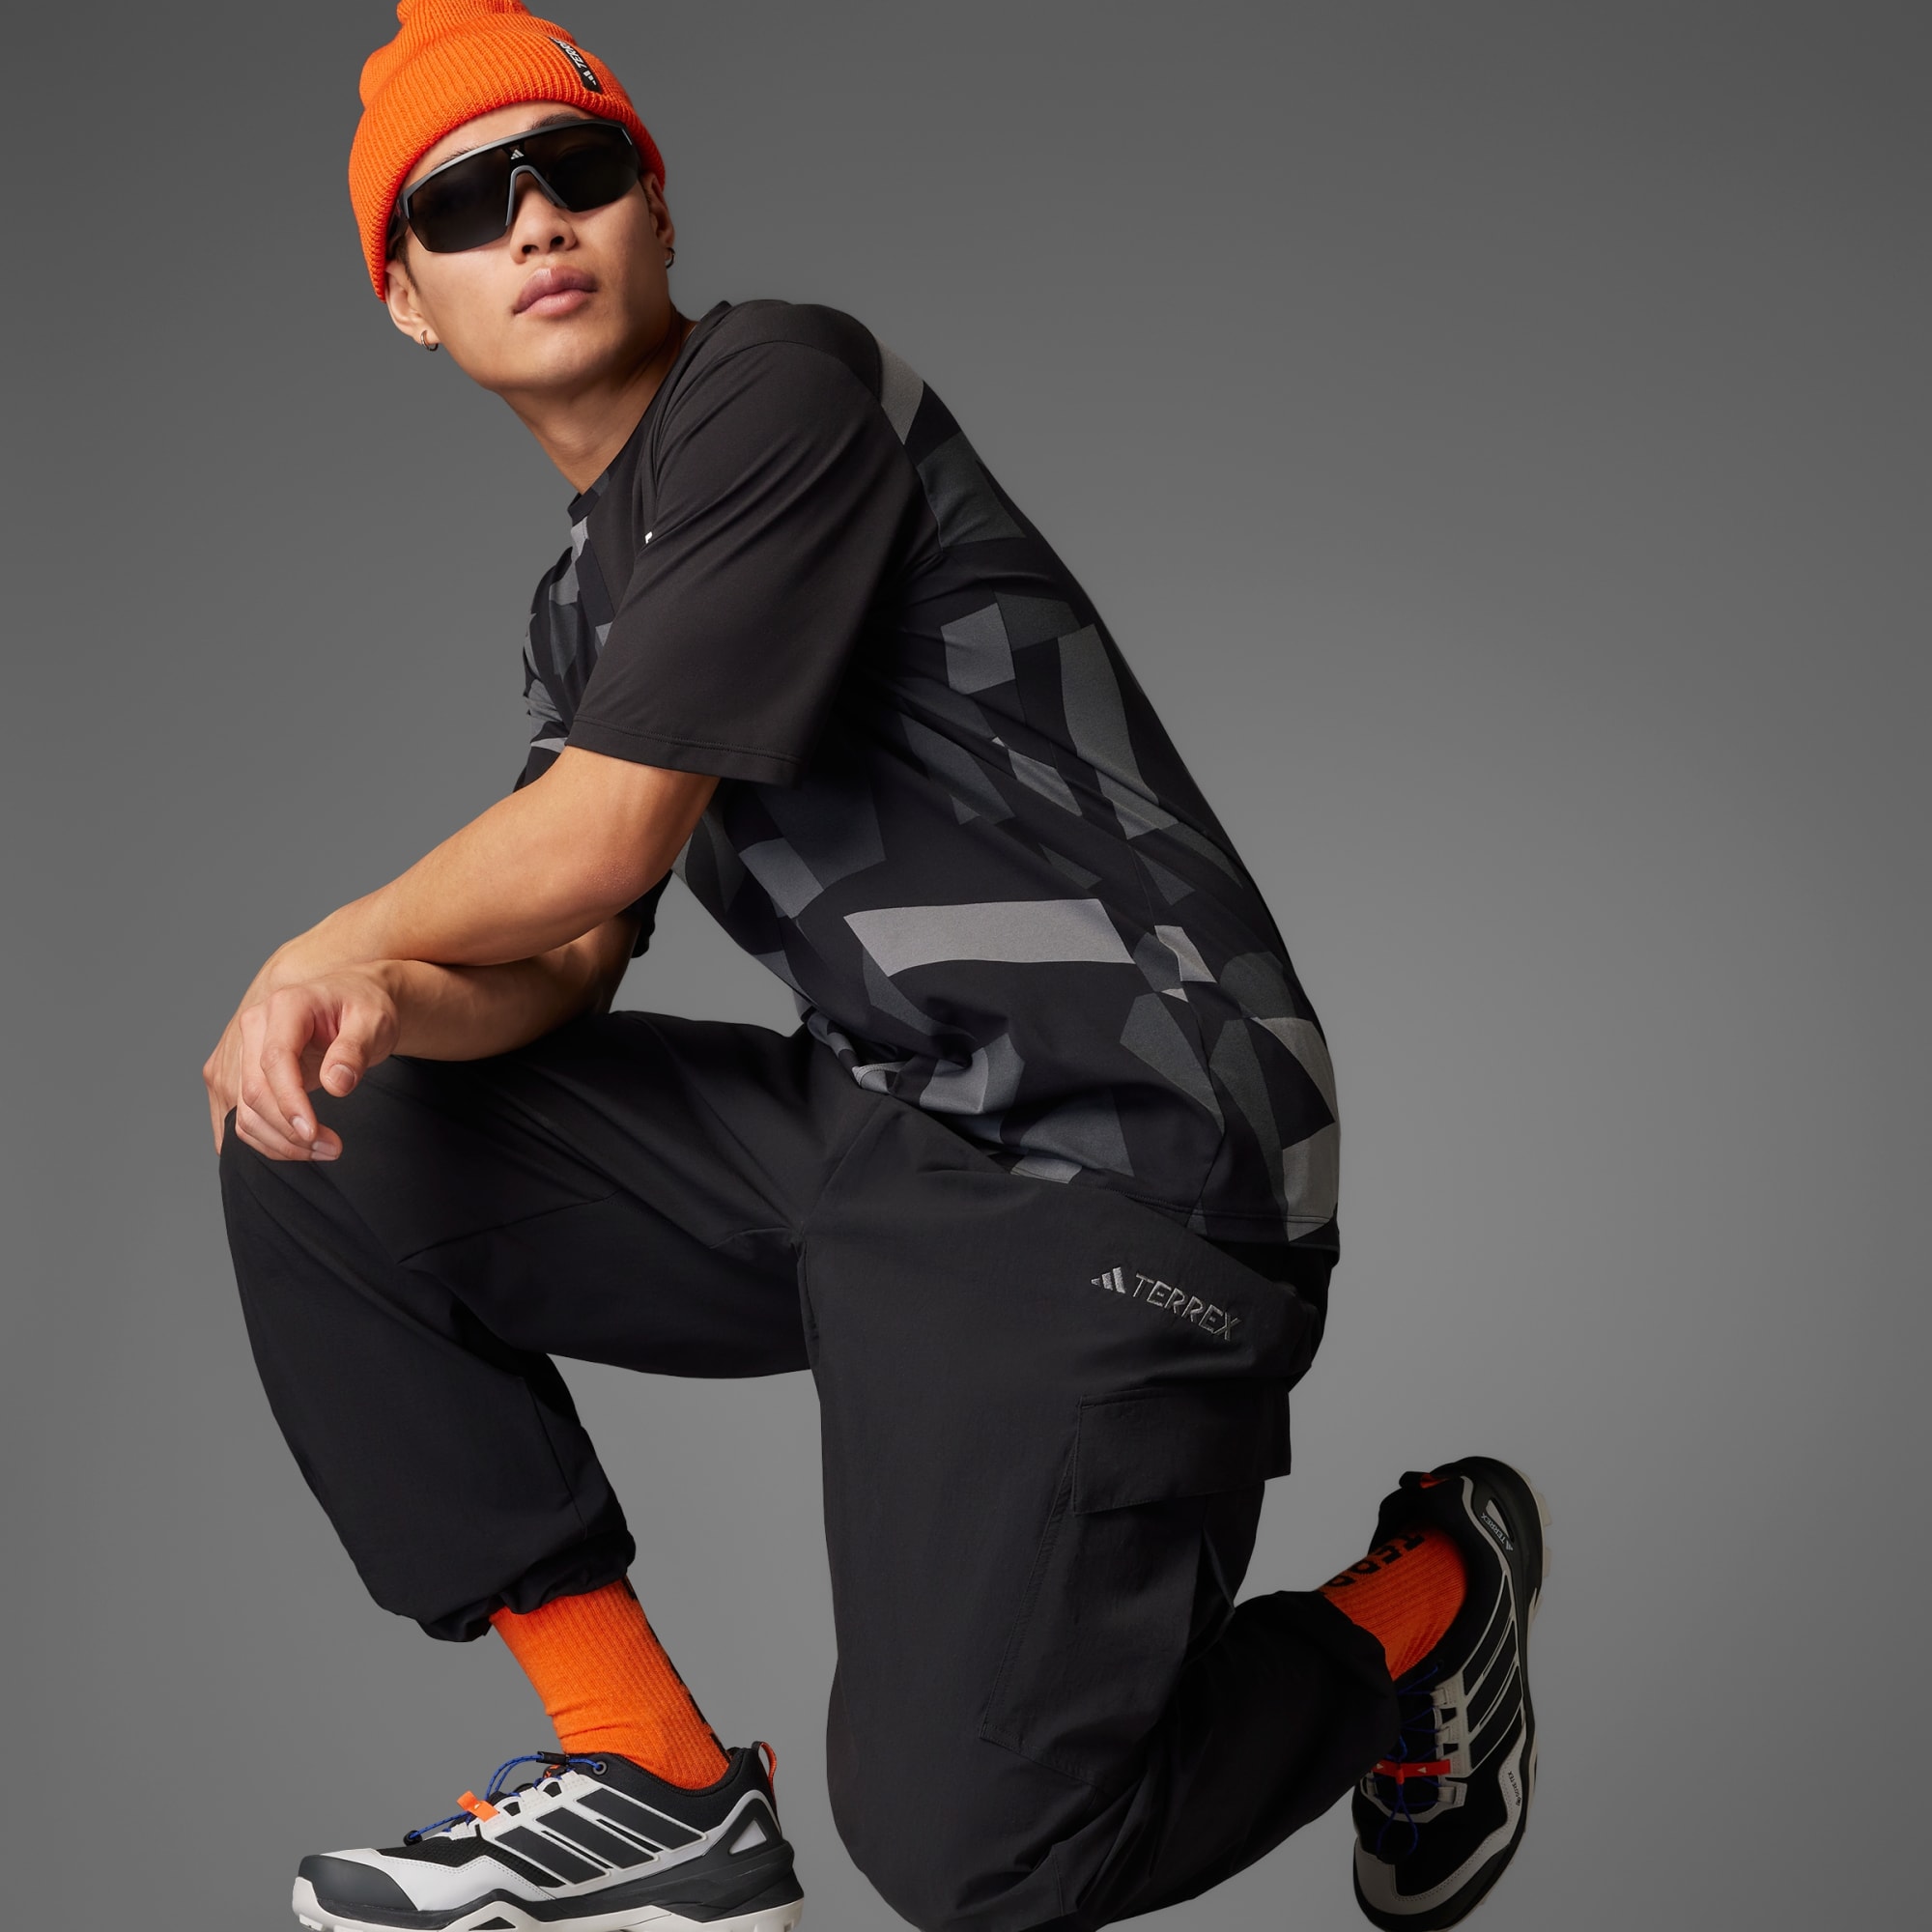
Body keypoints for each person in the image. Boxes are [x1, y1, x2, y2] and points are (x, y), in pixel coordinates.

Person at [210, 6, 1548, 1930]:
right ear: (410, 301)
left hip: (1135, 1152)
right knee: (325, 1138)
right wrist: (382, 1005)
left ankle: (1435, 1599)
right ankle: (649, 1778)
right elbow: (565, 953)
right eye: (464, 205)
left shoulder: (780, 386)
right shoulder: (582, 605)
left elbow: (602, 836)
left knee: (979, 1856)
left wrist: (312, 950)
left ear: (655, 209)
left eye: (575, 171)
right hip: (895, 1133)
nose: (535, 224)